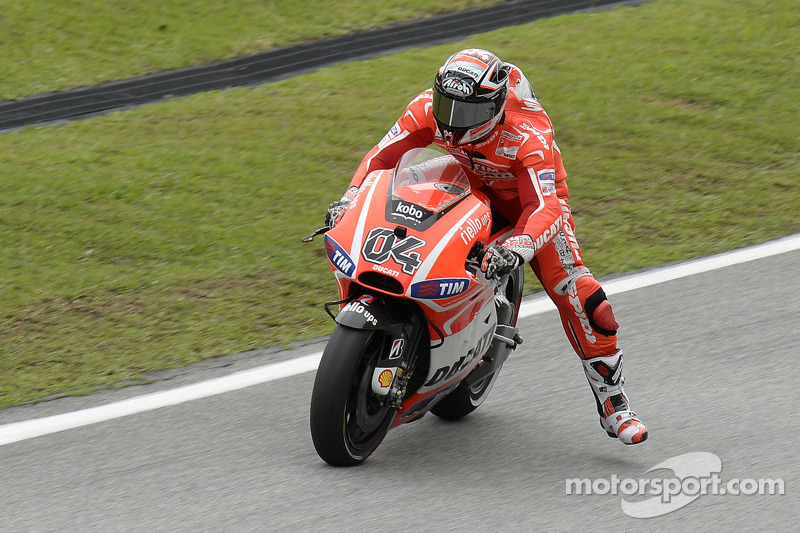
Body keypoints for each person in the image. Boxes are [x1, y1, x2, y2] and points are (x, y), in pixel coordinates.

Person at [325, 48, 647, 445]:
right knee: (395, 204)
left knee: (583, 298)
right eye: (448, 106)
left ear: (495, 107)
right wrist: (350, 198)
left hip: (528, 207)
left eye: (468, 114)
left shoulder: (527, 134)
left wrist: (519, 247)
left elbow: (543, 206)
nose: (453, 124)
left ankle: (613, 403)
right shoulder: (426, 107)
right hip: (467, 180)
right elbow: (381, 159)